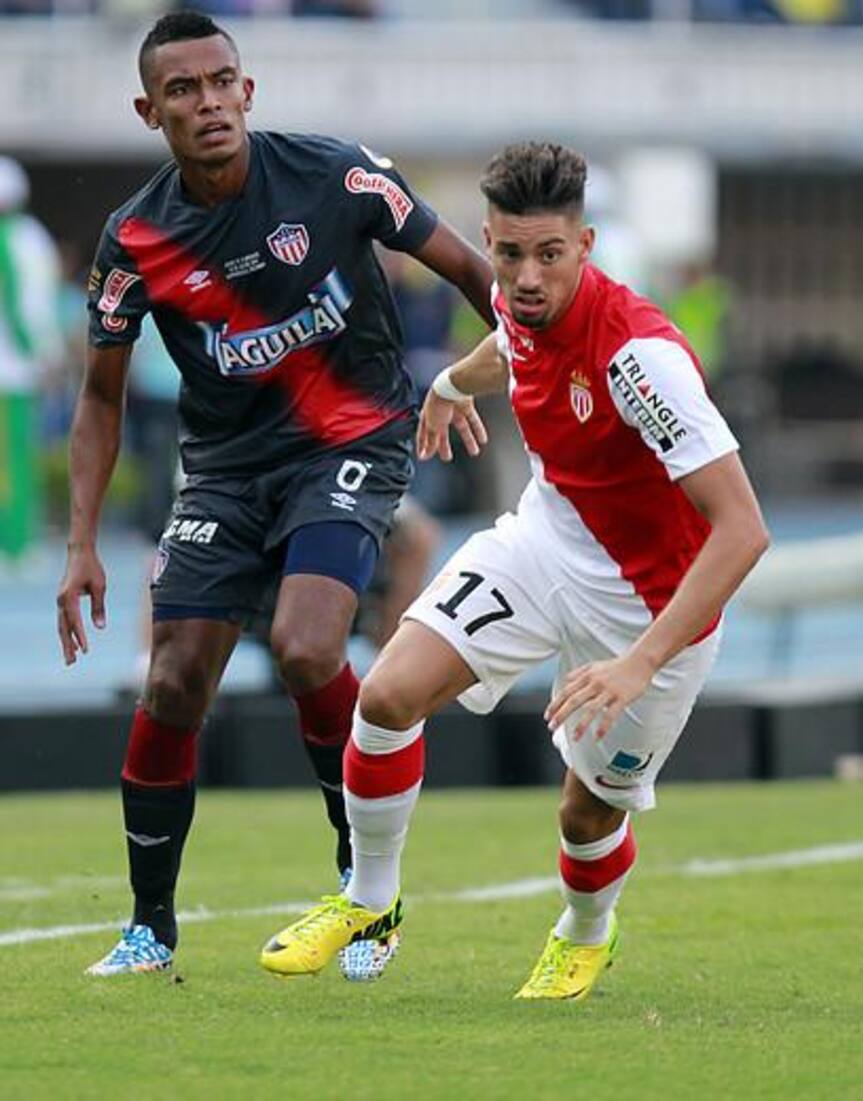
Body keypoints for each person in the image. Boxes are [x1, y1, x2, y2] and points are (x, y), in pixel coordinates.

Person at [262, 142, 769, 997]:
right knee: (385, 695)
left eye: (549, 255)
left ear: (588, 245)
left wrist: (640, 659)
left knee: (585, 815)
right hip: (542, 545)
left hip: (649, 612)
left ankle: (586, 929)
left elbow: (744, 531)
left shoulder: (641, 361)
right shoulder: (514, 297)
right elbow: (511, 342)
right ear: (489, 242)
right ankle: (369, 899)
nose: (526, 277)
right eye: (508, 254)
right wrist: (455, 381)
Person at [55, 11, 494, 979]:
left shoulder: (336, 175)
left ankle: (363, 892)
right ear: (149, 109)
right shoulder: (134, 239)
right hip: (224, 471)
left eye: (222, 82)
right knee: (172, 680)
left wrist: (531, 378)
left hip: (352, 441)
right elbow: (98, 396)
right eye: (183, 90)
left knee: (305, 646)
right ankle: (148, 927)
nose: (207, 101)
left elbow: (471, 271)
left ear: (247, 90)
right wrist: (82, 544)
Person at [0, 156, 63, 569]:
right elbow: (27, 307)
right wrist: (45, 355)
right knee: (16, 461)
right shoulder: (24, 239)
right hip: (14, 371)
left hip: (12, 371)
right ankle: (15, 544)